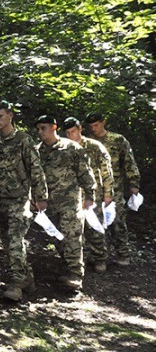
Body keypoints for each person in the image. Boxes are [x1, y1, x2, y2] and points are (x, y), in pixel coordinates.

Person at [0, 101, 48, 301]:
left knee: (14, 241)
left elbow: (35, 169)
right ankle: (27, 278)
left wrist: (41, 197)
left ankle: (15, 285)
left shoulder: (23, 140)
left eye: (0, 116)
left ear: (10, 115)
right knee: (9, 243)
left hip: (19, 200)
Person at [35, 115, 95, 291]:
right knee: (56, 237)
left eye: (43, 128)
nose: (40, 132)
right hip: (47, 204)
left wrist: (90, 195)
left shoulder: (71, 148)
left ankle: (75, 274)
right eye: (38, 129)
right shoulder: (36, 151)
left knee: (72, 235)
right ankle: (66, 267)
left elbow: (85, 173)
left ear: (54, 127)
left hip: (70, 201)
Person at [86, 112, 141, 266]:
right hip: (95, 188)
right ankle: (99, 257)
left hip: (115, 188)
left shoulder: (117, 140)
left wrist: (134, 184)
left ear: (103, 122)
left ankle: (123, 254)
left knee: (118, 222)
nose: (93, 129)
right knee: (95, 223)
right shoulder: (88, 142)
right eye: (91, 126)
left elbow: (129, 162)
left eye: (96, 125)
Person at [64, 116, 114, 273]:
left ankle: (100, 258)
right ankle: (81, 258)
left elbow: (106, 170)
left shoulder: (94, 146)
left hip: (94, 193)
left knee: (95, 227)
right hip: (73, 194)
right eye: (68, 132)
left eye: (73, 131)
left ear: (80, 129)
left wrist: (108, 193)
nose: (71, 135)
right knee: (76, 228)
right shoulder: (65, 148)